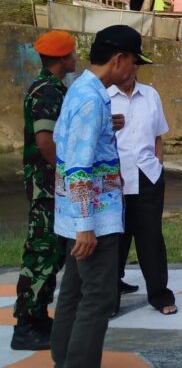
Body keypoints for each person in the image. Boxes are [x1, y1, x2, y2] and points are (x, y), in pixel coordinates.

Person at [51, 25, 148, 368]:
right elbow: (78, 167)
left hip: (78, 214)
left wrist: (109, 126)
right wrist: (86, 226)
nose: (135, 70)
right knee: (99, 298)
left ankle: (63, 359)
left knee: (74, 293)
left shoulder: (84, 91)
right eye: (135, 62)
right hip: (94, 219)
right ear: (119, 59)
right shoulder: (91, 99)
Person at [11, 31, 77, 351]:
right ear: (63, 58)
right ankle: (27, 324)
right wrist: (65, 176)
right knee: (42, 252)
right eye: (73, 54)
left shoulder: (49, 88)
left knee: (52, 251)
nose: (76, 58)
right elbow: (45, 141)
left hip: (48, 185)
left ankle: (37, 316)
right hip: (48, 186)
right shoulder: (48, 91)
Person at [109, 63, 176, 316]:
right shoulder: (104, 96)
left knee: (151, 238)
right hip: (114, 178)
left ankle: (159, 295)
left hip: (148, 175)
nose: (130, 69)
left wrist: (158, 166)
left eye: (133, 64)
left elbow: (158, 136)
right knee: (115, 239)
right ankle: (109, 298)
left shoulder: (151, 94)